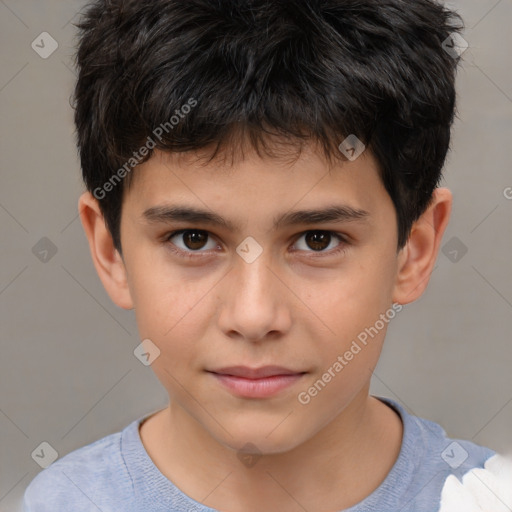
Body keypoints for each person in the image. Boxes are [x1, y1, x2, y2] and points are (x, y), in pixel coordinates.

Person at [22, 0, 504, 510]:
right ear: (110, 250)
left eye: (318, 239)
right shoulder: (67, 502)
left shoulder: (485, 498)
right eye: (193, 239)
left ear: (415, 251)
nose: (254, 317)